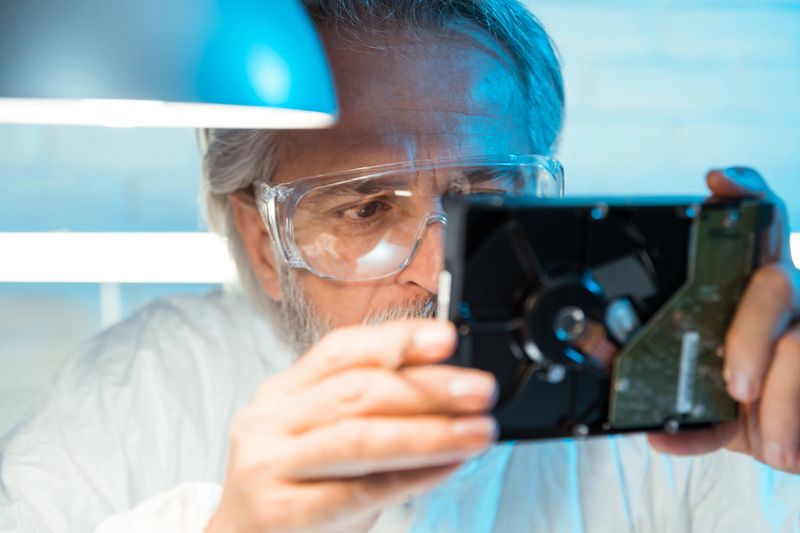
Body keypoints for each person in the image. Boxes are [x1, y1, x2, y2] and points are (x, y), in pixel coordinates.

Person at [2, 1, 799, 531]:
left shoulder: (674, 402)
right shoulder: (137, 396)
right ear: (261, 245)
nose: (436, 270)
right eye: (364, 208)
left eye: (484, 207)